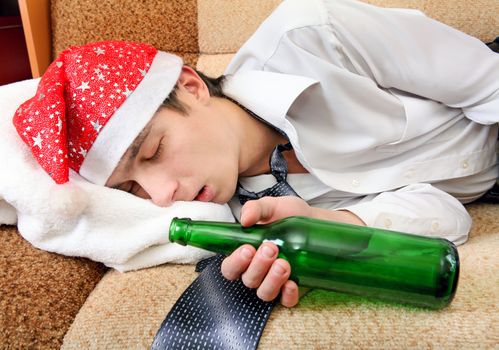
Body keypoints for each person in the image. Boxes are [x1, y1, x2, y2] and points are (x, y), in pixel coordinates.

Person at [14, 0, 498, 308]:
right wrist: (339, 225)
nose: (162, 194)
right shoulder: (250, 212)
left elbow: (485, 82)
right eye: (131, 187)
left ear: (190, 86)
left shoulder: (311, 34)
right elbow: (446, 216)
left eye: (155, 150)